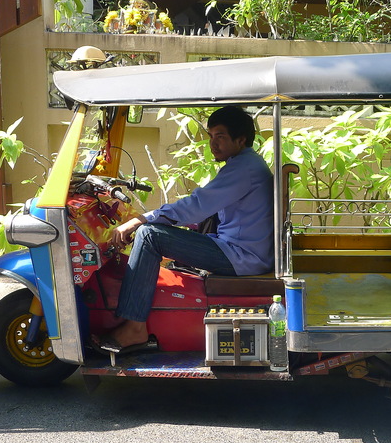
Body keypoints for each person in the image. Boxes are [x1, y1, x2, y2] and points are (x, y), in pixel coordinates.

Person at [98, 106, 274, 353]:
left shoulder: (244, 169)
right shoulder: (245, 164)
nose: (213, 144)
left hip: (241, 257)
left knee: (149, 236)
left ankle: (134, 328)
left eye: (220, 137)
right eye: (211, 136)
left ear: (241, 139)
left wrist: (140, 219)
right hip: (240, 250)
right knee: (157, 230)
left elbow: (197, 206)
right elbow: (203, 208)